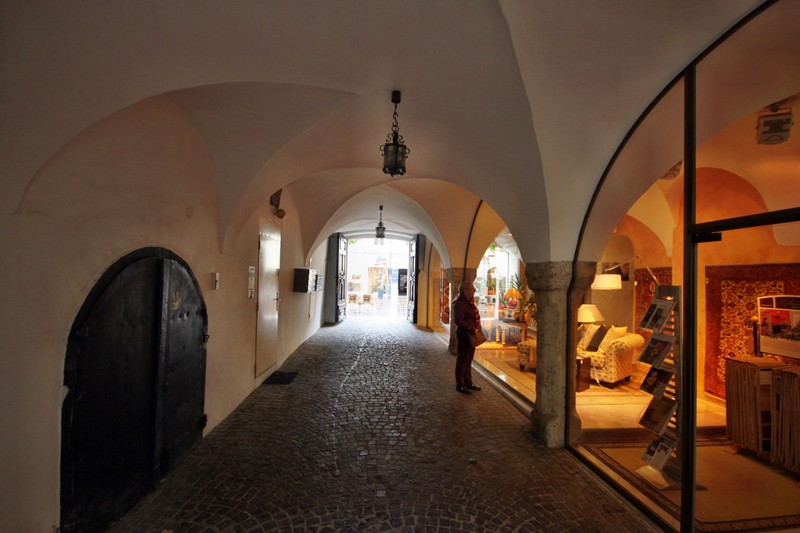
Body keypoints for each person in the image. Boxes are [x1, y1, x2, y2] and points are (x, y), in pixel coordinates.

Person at [453, 280, 482, 394]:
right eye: (472, 289)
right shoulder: (461, 303)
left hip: (471, 334)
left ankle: (468, 382)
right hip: (465, 335)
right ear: (465, 290)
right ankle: (460, 384)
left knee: (468, 359)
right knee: (462, 359)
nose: (474, 291)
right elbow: (458, 320)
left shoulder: (469, 302)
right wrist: (471, 328)